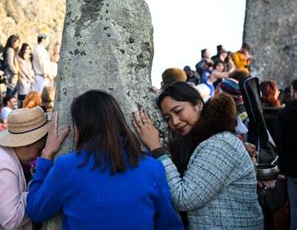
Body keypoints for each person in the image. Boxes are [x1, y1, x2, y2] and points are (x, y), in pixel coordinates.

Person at [26, 90, 182, 229]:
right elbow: (169, 224)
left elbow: (36, 211)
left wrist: (45, 158)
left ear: (80, 128)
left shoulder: (66, 167)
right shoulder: (152, 168)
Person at [134, 82, 263, 229]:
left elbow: (184, 198)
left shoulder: (220, 143)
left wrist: (156, 148)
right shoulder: (199, 141)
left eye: (178, 111)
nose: (174, 122)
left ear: (198, 104)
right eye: (167, 118)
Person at [274, 79, 297, 230]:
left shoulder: (284, 114)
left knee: (295, 213)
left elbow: (278, 143)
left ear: (294, 92)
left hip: (293, 170)